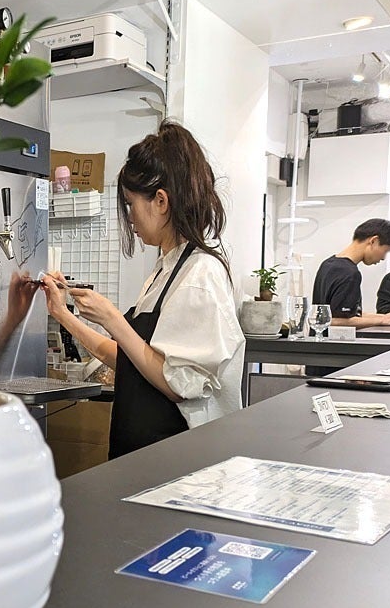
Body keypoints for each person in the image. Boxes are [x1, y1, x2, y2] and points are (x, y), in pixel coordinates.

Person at [39, 121, 244, 460]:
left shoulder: (200, 275)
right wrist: (63, 314)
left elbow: (178, 385)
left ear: (160, 201)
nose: (130, 217)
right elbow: (131, 359)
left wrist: (112, 319)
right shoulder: (166, 269)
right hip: (142, 456)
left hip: (175, 460)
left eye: (131, 203)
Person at [312, 219, 390, 327]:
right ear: (374, 241)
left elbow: (345, 314)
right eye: (385, 250)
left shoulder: (327, 264)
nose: (383, 257)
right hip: (334, 338)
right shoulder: (349, 273)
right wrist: (382, 320)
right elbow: (335, 321)